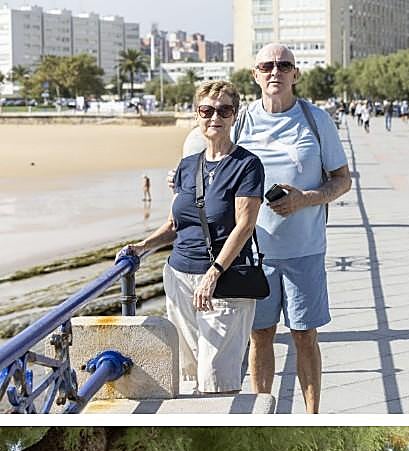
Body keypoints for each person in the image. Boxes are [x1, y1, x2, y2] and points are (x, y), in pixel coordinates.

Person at [120, 81, 264, 395]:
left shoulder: (247, 165)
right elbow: (176, 223)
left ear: (235, 115)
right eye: (207, 110)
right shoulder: (187, 166)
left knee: (217, 378)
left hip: (223, 281)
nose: (215, 117)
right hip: (178, 278)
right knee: (188, 373)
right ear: (196, 114)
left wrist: (213, 274)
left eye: (224, 110)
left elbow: (244, 226)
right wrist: (143, 246)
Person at [234, 43, 352, 414]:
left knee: (304, 336)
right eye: (267, 66)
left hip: (305, 251)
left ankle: (313, 415)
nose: (276, 72)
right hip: (255, 253)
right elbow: (212, 161)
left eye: (284, 65)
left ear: (295, 74)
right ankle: (262, 414)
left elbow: (343, 179)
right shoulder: (240, 121)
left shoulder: (316, 120)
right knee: (260, 336)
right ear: (255, 75)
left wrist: (305, 199)